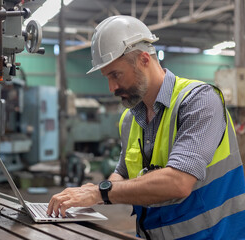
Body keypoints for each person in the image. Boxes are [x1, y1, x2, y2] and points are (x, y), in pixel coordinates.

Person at [47, 15, 245, 239]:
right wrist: (86, 194)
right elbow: (121, 175)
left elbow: (178, 182)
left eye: (116, 74)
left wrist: (100, 193)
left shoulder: (199, 101)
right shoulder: (130, 119)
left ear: (144, 60)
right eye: (107, 77)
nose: (112, 87)